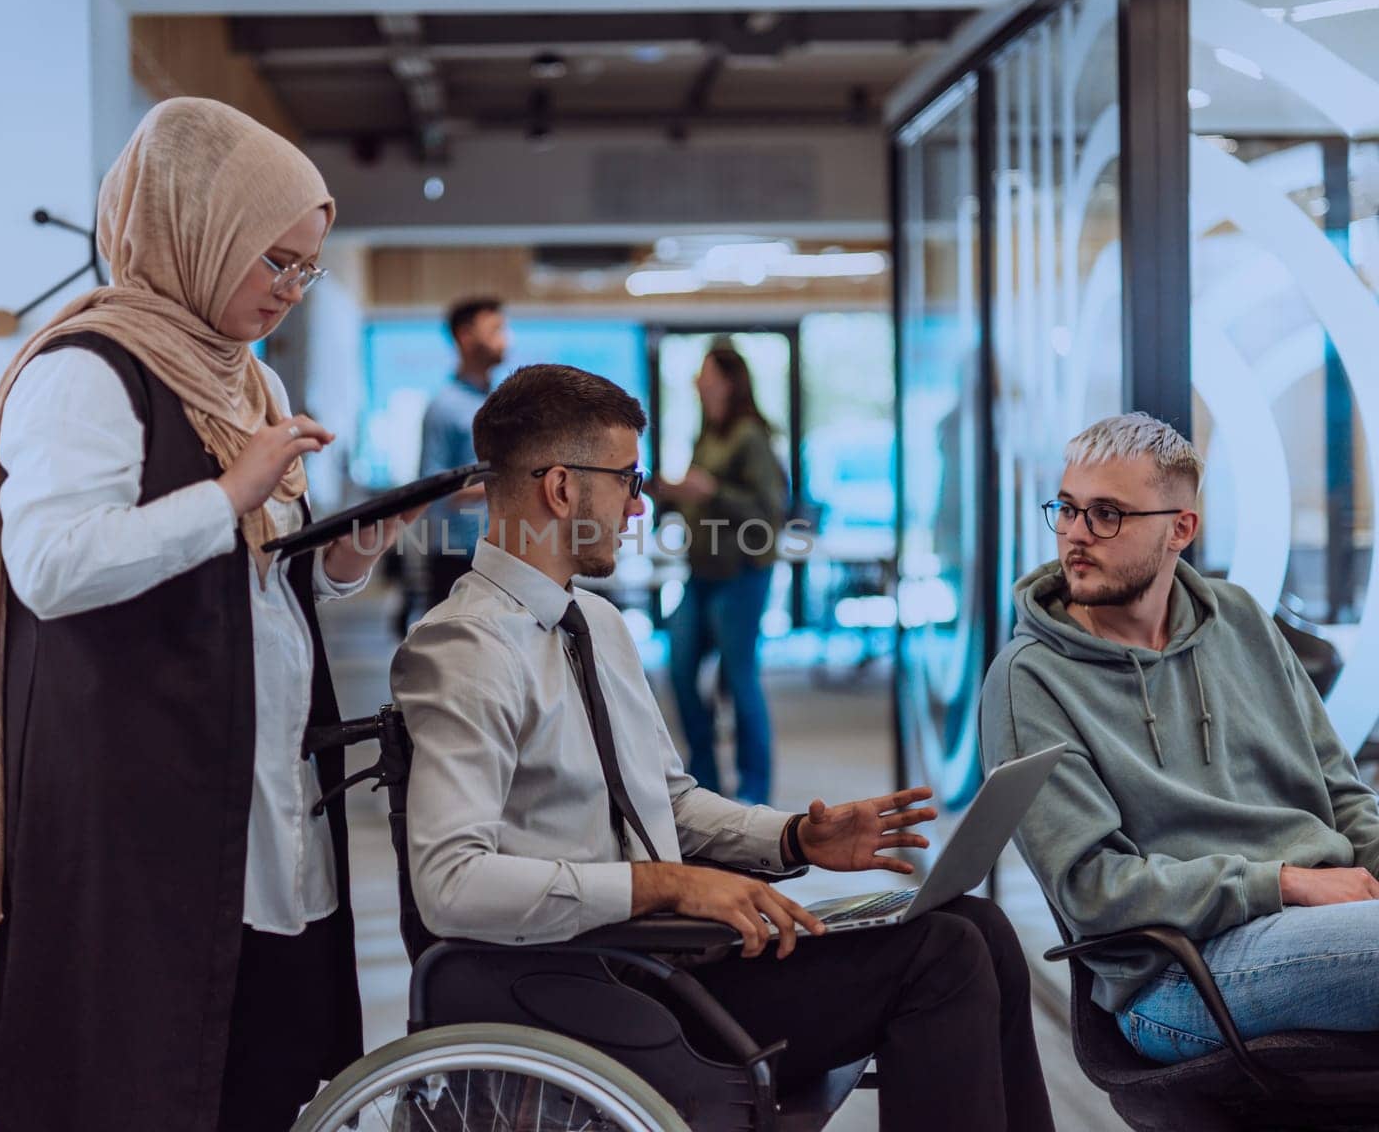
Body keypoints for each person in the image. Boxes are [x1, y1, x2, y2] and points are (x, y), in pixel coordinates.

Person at [391, 364, 1055, 1131]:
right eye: (627, 479)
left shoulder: (598, 624)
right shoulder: (464, 649)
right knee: (943, 957)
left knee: (980, 927)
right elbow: (450, 883)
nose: (640, 504)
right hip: (590, 983)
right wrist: (665, 886)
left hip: (670, 962)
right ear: (561, 488)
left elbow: (666, 798)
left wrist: (793, 837)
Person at [0, 97, 411, 1132]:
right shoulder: (85, 371)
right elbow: (53, 568)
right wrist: (232, 493)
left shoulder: (244, 375)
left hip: (254, 766)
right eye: (273, 262)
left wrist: (347, 555)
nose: (291, 290)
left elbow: (253, 575)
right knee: (147, 1070)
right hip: (141, 783)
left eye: (308, 267)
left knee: (256, 1059)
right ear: (192, 233)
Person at [981, 412, 1379, 1065]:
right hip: (1179, 971)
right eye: (1069, 509)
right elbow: (1090, 888)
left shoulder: (1242, 620)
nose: (1076, 536)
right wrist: (1280, 883)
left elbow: (1343, 795)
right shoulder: (1031, 680)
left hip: (1319, 918)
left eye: (1107, 514)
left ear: (1181, 529)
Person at [651, 341, 786, 803]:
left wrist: (711, 491)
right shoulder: (707, 432)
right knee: (681, 669)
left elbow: (769, 509)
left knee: (740, 677)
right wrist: (672, 490)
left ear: (728, 382)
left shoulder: (750, 436)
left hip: (741, 575)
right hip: (701, 573)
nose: (697, 383)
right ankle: (703, 780)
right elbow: (699, 492)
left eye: (705, 374)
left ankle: (754, 786)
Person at [411, 296, 509, 621]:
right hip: (457, 559)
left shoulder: (500, 402)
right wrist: (506, 480)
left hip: (502, 556)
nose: (505, 339)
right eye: (494, 329)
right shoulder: (444, 407)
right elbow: (432, 488)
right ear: (466, 336)